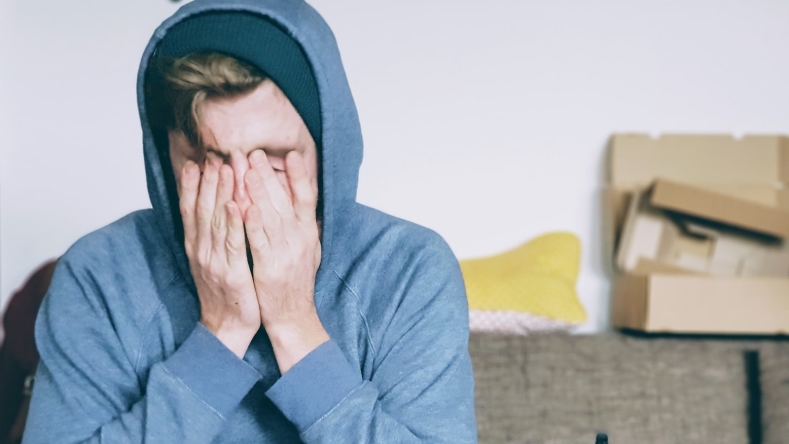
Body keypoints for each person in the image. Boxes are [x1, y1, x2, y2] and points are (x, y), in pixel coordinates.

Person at [22, 1, 477, 443]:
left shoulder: (410, 269)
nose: (241, 198)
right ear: (166, 159)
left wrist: (295, 325)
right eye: (209, 162)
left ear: (327, 152)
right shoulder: (100, 273)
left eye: (274, 163)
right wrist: (221, 333)